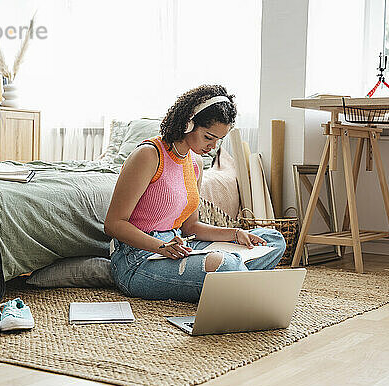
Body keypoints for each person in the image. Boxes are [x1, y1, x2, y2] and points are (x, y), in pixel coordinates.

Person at [104, 84, 286, 303]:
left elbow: (191, 227)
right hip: (138, 257)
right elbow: (114, 224)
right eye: (209, 137)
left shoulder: (196, 163)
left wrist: (235, 234)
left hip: (179, 244)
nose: (213, 146)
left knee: (272, 240)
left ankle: (232, 276)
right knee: (225, 265)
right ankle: (234, 275)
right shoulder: (148, 155)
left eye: (219, 140)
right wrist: (161, 247)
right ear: (188, 123)